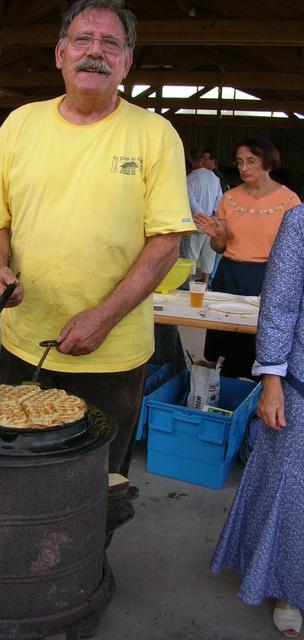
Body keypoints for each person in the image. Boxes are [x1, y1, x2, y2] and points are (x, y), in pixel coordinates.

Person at [0, 0, 195, 479]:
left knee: (98, 485)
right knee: (12, 476)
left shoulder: (156, 135)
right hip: (24, 345)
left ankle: (88, 557)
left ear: (127, 62)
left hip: (112, 356)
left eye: (111, 43)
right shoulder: (19, 125)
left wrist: (103, 318)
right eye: (83, 40)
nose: (96, 52)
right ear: (60, 54)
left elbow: (165, 245)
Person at [211, 204, 304, 639]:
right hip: (300, 384)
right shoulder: (301, 221)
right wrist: (271, 381)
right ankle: (288, 588)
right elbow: (280, 305)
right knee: (291, 491)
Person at [195, 137, 300, 378]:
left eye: (251, 161)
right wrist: (218, 235)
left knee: (261, 341)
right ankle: (222, 395)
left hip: (269, 277)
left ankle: (258, 395)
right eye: (240, 162)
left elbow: (294, 252)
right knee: (223, 344)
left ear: (268, 163)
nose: (244, 168)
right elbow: (219, 247)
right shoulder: (229, 198)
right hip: (230, 274)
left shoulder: (289, 201)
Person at [181, 147, 222, 283]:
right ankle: (205, 282)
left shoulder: (190, 178)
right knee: (208, 254)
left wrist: (201, 215)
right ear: (203, 159)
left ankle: (190, 281)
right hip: (211, 222)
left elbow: (189, 199)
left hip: (197, 222)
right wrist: (210, 215)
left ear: (190, 159)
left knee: (191, 253)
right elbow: (219, 198)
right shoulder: (214, 177)